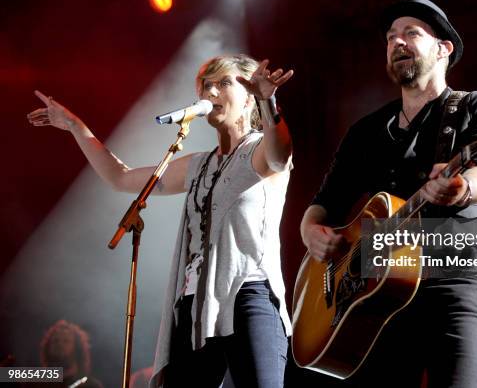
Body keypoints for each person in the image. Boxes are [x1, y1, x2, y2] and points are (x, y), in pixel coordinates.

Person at [28, 54, 294, 388]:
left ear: (248, 95)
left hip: (248, 294)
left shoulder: (258, 150)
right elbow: (121, 177)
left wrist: (268, 100)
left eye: (224, 83)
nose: (211, 92)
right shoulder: (197, 165)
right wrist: (75, 127)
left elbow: (279, 154)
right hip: (195, 305)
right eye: (206, 85)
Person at [300, 0, 477, 387]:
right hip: (379, 294)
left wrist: (462, 188)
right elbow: (323, 205)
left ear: (443, 48)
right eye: (391, 36)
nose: (397, 42)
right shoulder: (366, 132)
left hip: (457, 277)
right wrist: (310, 232)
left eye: (411, 33)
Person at [39, 320, 104, 388]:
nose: (59, 344)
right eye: (55, 341)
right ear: (48, 348)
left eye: (66, 341)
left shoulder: (91, 385)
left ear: (77, 348)